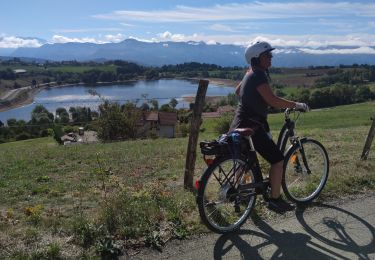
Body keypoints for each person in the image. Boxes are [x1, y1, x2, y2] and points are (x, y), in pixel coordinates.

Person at [229, 41, 309, 213]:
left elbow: (238, 92)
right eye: (268, 55)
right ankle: (275, 199)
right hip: (253, 126)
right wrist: (297, 104)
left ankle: (240, 195)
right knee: (278, 160)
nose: (271, 58)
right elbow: (272, 100)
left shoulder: (250, 73)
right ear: (256, 59)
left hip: (239, 123)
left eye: (271, 55)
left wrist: (253, 97)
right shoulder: (258, 75)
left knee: (244, 162)